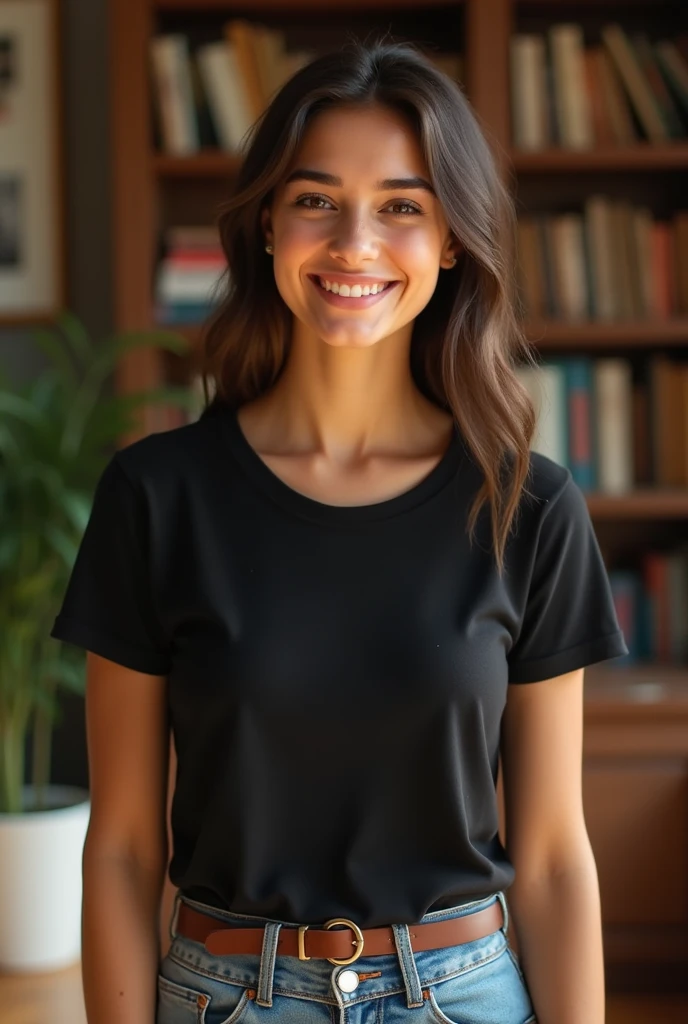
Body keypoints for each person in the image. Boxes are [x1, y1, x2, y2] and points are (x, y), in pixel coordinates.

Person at [51, 39, 628, 1024]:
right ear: (267, 223)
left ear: (451, 238)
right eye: (315, 198)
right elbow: (122, 848)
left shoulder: (527, 509)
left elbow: (552, 855)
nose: (353, 242)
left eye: (402, 204)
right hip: (226, 995)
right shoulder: (156, 497)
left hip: (465, 993)